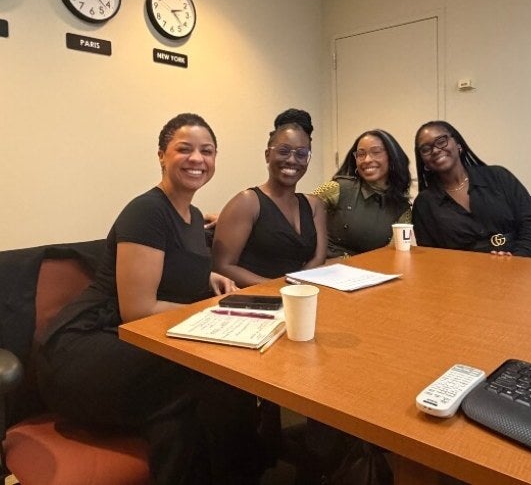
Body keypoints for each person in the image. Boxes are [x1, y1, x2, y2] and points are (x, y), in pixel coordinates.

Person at [36, 113, 264, 485]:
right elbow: (138, 310)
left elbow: (172, 264)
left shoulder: (191, 217)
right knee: (213, 376)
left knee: (187, 415)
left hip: (137, 343)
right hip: (88, 345)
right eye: (184, 149)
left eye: (207, 151)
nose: (197, 159)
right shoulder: (147, 211)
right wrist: (215, 311)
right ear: (161, 155)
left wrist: (210, 275)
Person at [212, 108, 327, 286]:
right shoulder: (247, 202)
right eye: (283, 151)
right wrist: (279, 288)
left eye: (301, 154)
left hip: (299, 296)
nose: (292, 160)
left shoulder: (315, 205)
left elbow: (318, 257)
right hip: (256, 300)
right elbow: (222, 266)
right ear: (268, 155)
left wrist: (298, 287)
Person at [412, 120, 531, 258]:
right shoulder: (424, 204)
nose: (435, 150)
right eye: (426, 149)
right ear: (424, 162)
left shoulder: (498, 177)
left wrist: (517, 259)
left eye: (441, 141)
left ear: (458, 144)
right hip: (464, 276)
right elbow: (430, 257)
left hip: (522, 267)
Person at [313, 129, 411, 258]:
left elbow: (393, 255)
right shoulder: (337, 188)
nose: (367, 160)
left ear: (392, 157)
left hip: (370, 272)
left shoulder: (402, 209)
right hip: (324, 269)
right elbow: (302, 210)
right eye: (360, 154)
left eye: (376, 152)